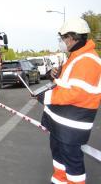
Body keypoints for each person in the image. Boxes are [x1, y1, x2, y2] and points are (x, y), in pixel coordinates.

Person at [37, 18, 101, 184]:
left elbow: (75, 93)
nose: (62, 42)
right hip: (61, 125)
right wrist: (56, 74)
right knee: (59, 158)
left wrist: (46, 97)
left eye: (63, 38)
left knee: (73, 166)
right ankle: (59, 181)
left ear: (73, 38)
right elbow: (67, 83)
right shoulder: (75, 57)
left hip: (71, 128)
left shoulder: (87, 60)